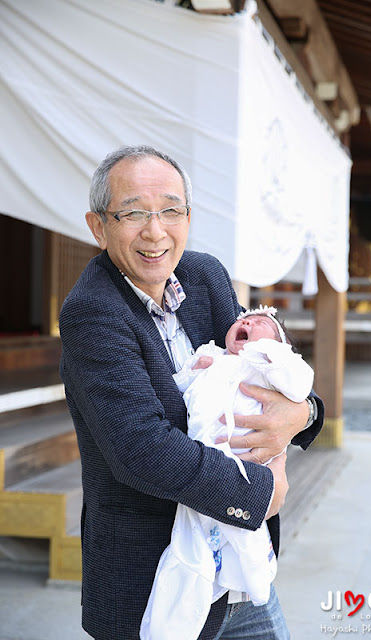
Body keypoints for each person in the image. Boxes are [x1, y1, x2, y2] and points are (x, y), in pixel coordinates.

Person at [59, 144, 324, 640]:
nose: (155, 231)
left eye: (170, 211)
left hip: (241, 572)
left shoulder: (203, 275)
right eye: (133, 213)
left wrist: (304, 412)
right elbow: (141, 449)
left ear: (187, 215)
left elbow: (264, 358)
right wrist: (261, 492)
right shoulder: (92, 313)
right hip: (155, 581)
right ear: (99, 227)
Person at [140, 306, 314, 640]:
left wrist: (277, 362)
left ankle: (254, 579)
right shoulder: (215, 355)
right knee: (195, 541)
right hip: (202, 460)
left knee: (241, 539)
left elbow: (301, 383)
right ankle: (177, 618)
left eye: (260, 323)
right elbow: (176, 388)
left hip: (243, 458)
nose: (246, 321)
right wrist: (196, 367)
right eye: (244, 320)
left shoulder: (270, 366)